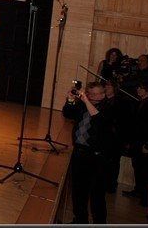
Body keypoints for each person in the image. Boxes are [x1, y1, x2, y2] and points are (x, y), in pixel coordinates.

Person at [62, 81, 117, 224]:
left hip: (97, 157)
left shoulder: (109, 107)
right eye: (90, 93)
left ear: (103, 94)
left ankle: (99, 222)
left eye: (95, 94)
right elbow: (68, 114)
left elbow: (99, 120)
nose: (92, 96)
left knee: (96, 194)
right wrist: (70, 100)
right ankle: (80, 221)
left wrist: (86, 101)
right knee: (78, 191)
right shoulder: (82, 104)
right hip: (79, 153)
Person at [122, 82, 148, 207]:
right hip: (137, 142)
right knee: (137, 167)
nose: (138, 90)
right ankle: (138, 191)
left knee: (144, 170)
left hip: (144, 142)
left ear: (147, 90)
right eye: (138, 87)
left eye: (141, 88)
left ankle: (146, 197)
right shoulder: (140, 103)